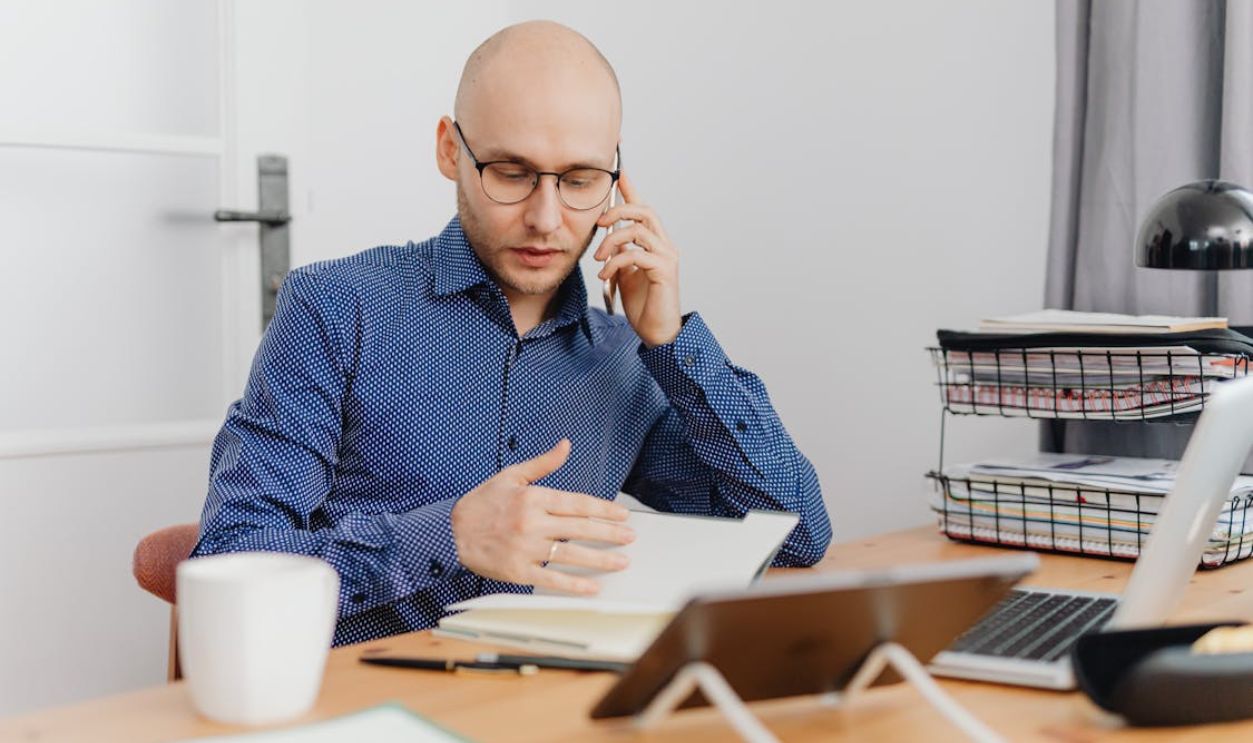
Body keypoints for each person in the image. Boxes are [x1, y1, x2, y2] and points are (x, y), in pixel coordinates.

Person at [192, 20, 831, 646]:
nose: (545, 218)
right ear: (451, 150)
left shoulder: (625, 358)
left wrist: (671, 342)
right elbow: (231, 560)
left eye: (579, 180)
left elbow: (797, 535)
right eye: (511, 172)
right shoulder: (336, 308)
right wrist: (449, 537)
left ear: (615, 177)